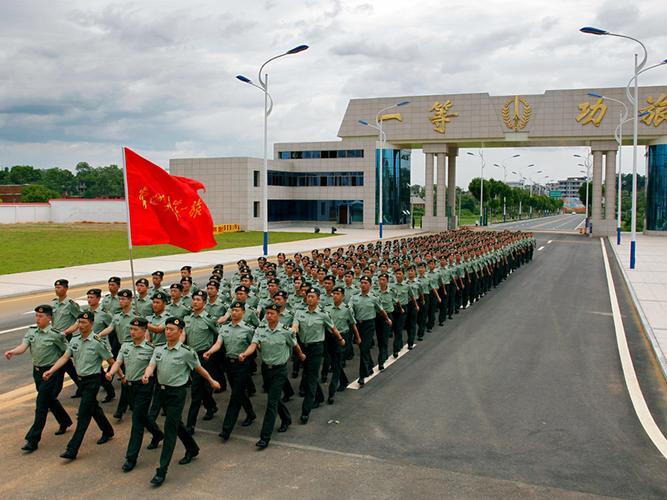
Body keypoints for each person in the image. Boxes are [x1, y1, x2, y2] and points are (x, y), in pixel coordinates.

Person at [141, 317, 220, 487]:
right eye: (166, 329)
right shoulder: (159, 349)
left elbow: (199, 369)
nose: (168, 332)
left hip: (177, 393)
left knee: (170, 428)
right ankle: (192, 448)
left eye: (171, 329)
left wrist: (212, 381)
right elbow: (151, 365)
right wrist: (147, 374)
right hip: (160, 391)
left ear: (180, 332)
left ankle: (161, 470)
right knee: (172, 423)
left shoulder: (186, 352)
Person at [43, 311, 115, 460]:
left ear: (92, 324)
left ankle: (72, 449)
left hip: (93, 381)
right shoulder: (75, 341)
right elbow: (65, 357)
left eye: (84, 323)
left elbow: (110, 360)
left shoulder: (97, 341)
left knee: (83, 415)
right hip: (82, 381)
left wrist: (118, 375)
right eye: (79, 323)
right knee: (93, 408)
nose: (81, 326)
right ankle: (108, 431)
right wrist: (51, 370)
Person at [4, 305, 72, 452]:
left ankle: (32, 439)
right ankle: (65, 420)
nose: (38, 319)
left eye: (41, 316)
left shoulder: (55, 335)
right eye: (36, 316)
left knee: (41, 405)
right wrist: (13, 352)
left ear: (49, 318)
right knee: (49, 400)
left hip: (50, 373)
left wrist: (56, 370)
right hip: (37, 372)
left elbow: (66, 353)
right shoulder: (32, 331)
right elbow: (23, 346)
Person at [239, 304, 305, 449]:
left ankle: (265, 437)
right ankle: (286, 418)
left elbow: (295, 345)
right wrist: (245, 353)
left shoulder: (286, 331)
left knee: (271, 403)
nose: (268, 316)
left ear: (278, 315)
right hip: (266, 369)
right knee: (274, 398)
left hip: (279, 371)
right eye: (267, 313)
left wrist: (300, 355)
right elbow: (253, 344)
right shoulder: (260, 330)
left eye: (271, 314)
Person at [106, 317, 164, 472]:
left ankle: (130, 458)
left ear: (144, 331)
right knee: (142, 416)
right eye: (131, 329)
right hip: (129, 387)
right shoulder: (125, 346)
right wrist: (112, 373)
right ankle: (157, 434)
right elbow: (118, 362)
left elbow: (154, 367)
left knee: (137, 421)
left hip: (144, 387)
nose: (132, 332)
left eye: (135, 329)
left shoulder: (151, 349)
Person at [203, 301, 256, 440]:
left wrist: (245, 354)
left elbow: (254, 345)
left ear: (243, 312)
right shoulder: (224, 328)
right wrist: (209, 352)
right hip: (230, 364)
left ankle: (226, 429)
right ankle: (250, 413)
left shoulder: (248, 329)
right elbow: (218, 343)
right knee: (238, 392)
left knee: (235, 396)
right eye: (232, 310)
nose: (234, 313)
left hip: (243, 364)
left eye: (237, 310)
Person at [291, 287, 345, 424]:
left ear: (318, 299)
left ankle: (305, 410)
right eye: (308, 296)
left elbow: (333, 328)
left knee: (311, 376)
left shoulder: (323, 314)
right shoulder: (299, 312)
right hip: (303, 347)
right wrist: (294, 330)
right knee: (308, 374)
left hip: (316, 348)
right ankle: (320, 396)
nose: (309, 298)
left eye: (312, 296)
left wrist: (340, 339)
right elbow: (295, 325)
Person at [183, 290, 220, 434]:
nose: (195, 302)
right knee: (202, 387)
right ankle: (211, 406)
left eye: (198, 300)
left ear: (204, 303)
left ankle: (190, 425)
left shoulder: (209, 319)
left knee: (196, 389)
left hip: (204, 356)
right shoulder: (187, 318)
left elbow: (219, 335)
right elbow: (184, 335)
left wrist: (212, 352)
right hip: (191, 356)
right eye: (194, 299)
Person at [98, 288, 134, 419]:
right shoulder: (117, 316)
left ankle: (122, 408)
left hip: (132, 348)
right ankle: (128, 404)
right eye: (120, 299)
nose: (121, 301)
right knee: (125, 376)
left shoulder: (135, 316)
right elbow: (110, 328)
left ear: (130, 300)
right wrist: (99, 334)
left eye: (124, 299)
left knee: (128, 377)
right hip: (121, 347)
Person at [349, 276, 391, 386]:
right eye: (361, 282)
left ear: (370, 285)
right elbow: (349, 310)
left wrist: (387, 319)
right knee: (364, 348)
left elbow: (381, 310)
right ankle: (370, 365)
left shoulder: (374, 298)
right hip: (358, 325)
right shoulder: (354, 297)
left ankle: (362, 376)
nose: (363, 285)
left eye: (365, 283)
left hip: (369, 325)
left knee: (364, 348)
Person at [325, 287, 360, 403]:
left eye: (338, 294)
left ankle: (331, 392)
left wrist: (357, 337)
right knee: (335, 361)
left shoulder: (346, 309)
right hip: (330, 338)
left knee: (336, 363)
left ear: (343, 296)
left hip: (342, 338)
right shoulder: (327, 308)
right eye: (334, 293)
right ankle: (344, 381)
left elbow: (353, 324)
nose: (335, 296)